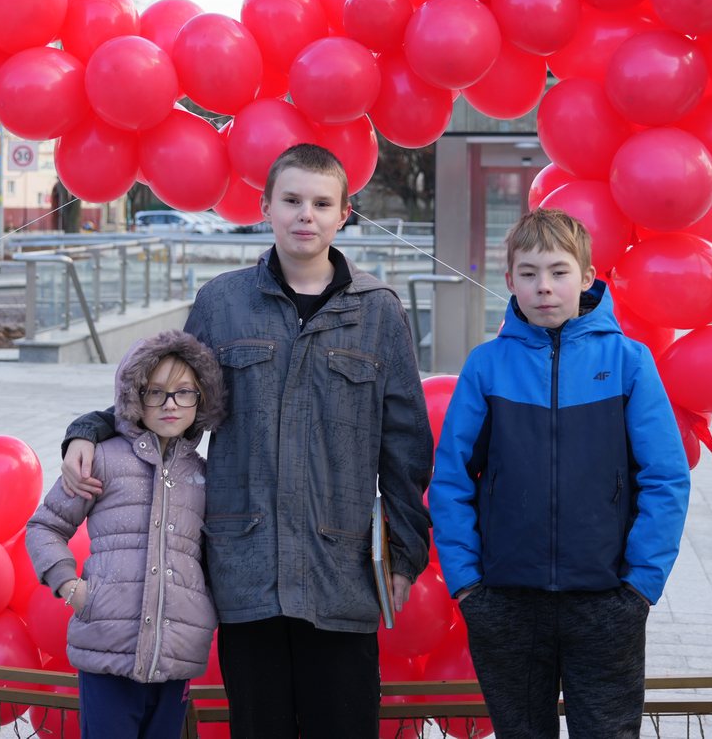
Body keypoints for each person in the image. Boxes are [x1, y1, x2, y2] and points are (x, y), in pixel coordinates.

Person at [59, 144, 433, 739]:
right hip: (247, 568)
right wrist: (90, 428)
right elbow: (166, 392)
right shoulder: (224, 303)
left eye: (320, 202)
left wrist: (406, 554)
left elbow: (406, 447)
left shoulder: (379, 312)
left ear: (345, 213)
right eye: (291, 200)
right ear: (265, 208)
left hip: (339, 571)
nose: (304, 215)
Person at [430, 208, 691, 739]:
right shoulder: (487, 366)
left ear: (587, 277)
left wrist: (641, 585)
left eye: (558, 271)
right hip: (504, 602)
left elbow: (666, 478)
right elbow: (452, 478)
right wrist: (466, 583)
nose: (543, 287)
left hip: (606, 601)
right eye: (528, 274)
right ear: (510, 281)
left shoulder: (629, 362)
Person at [27, 331, 227, 738]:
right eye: (156, 392)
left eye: (184, 392)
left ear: (201, 398)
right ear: (136, 397)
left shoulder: (206, 476)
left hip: (177, 653)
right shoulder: (101, 458)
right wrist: (71, 587)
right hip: (106, 646)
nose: (171, 404)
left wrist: (204, 610)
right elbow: (44, 526)